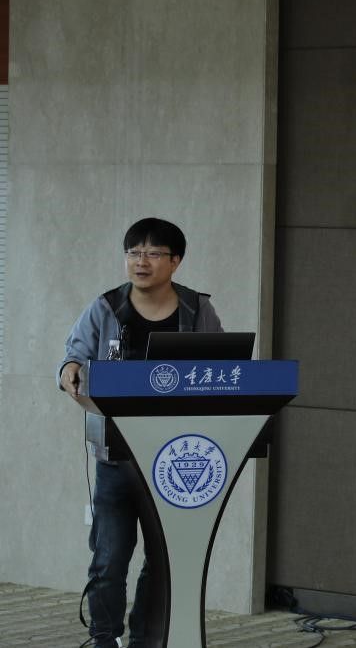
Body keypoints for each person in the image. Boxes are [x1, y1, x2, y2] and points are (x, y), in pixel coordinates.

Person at [58, 217, 223, 648]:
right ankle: (104, 639)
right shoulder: (106, 307)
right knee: (108, 561)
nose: (141, 262)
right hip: (116, 457)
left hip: (172, 460)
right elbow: (74, 355)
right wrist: (70, 370)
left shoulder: (197, 310)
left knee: (162, 562)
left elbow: (224, 368)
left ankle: (146, 641)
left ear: (175, 261)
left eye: (152, 253)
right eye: (133, 253)